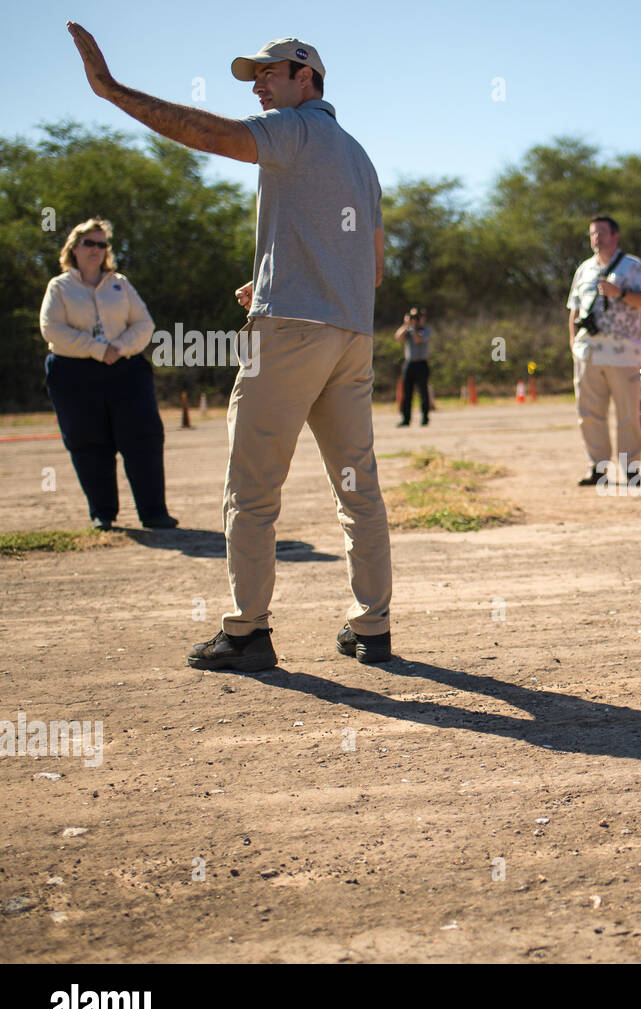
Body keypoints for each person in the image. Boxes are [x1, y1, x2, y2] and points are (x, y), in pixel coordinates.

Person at [68, 23, 393, 670]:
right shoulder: (358, 156)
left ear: (308, 78)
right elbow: (372, 265)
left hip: (291, 337)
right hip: (351, 337)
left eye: (270, 74)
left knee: (251, 491)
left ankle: (247, 634)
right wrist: (275, 277)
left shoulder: (295, 131)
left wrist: (111, 91)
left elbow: (213, 135)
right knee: (358, 488)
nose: (259, 87)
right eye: (254, 79)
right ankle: (373, 628)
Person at [39, 217, 177, 531]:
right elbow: (52, 329)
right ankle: (103, 513)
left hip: (125, 369)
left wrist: (119, 347)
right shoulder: (59, 287)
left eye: (102, 244)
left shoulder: (120, 283)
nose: (97, 250)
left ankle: (154, 513)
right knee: (89, 441)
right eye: (90, 243)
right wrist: (95, 348)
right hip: (74, 374)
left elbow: (144, 324)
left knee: (143, 438)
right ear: (74, 248)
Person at [566, 215, 641, 486]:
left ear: (615, 236)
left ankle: (631, 469)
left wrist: (620, 293)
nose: (597, 238)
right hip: (588, 353)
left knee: (628, 413)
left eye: (602, 233)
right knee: (589, 413)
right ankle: (598, 467)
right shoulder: (584, 269)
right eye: (593, 234)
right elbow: (573, 308)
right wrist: (573, 343)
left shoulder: (633, 266)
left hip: (623, 354)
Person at [395, 307, 433, 426]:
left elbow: (418, 339)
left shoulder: (426, 329)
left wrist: (413, 328)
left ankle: (425, 418)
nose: (415, 320)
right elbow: (397, 337)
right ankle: (406, 419)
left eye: (417, 317)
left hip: (422, 364)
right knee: (407, 393)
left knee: (423, 392)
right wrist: (406, 325)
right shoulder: (408, 329)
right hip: (409, 364)